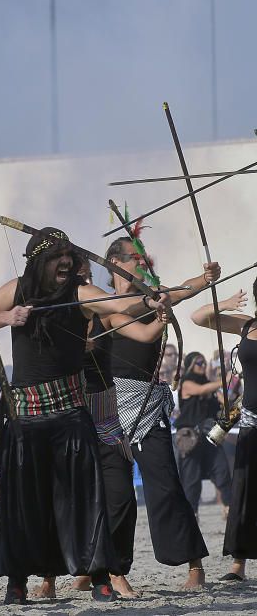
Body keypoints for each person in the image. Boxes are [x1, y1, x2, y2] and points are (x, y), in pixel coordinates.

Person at [0, 226, 169, 604]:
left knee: (86, 499)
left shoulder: (80, 291)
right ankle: (17, 582)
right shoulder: (16, 288)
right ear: (39, 260)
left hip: (70, 415)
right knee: (25, 503)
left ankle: (98, 578)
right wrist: (7, 317)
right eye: (57, 256)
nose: (65, 262)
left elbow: (118, 305)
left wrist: (153, 300)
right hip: (26, 415)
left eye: (68, 255)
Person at [104, 235, 215, 589]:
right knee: (115, 494)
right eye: (137, 259)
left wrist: (206, 277)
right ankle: (109, 572)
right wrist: (153, 300)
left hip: (147, 404)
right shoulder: (101, 301)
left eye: (145, 259)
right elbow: (120, 313)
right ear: (115, 262)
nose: (144, 265)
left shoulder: (154, 294)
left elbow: (183, 290)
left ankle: (194, 566)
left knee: (166, 484)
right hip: (109, 406)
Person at [192, 285, 257, 581]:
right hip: (251, 422)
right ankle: (238, 565)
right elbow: (199, 316)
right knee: (244, 492)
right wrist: (227, 303)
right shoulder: (248, 325)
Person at [175, 351, 233, 514]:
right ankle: (192, 514)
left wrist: (231, 385)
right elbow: (201, 390)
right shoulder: (187, 383)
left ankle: (229, 508)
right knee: (191, 479)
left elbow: (226, 402)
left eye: (204, 363)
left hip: (210, 435)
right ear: (191, 365)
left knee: (222, 471)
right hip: (191, 437)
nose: (203, 366)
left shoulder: (210, 384)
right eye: (199, 363)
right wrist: (222, 381)